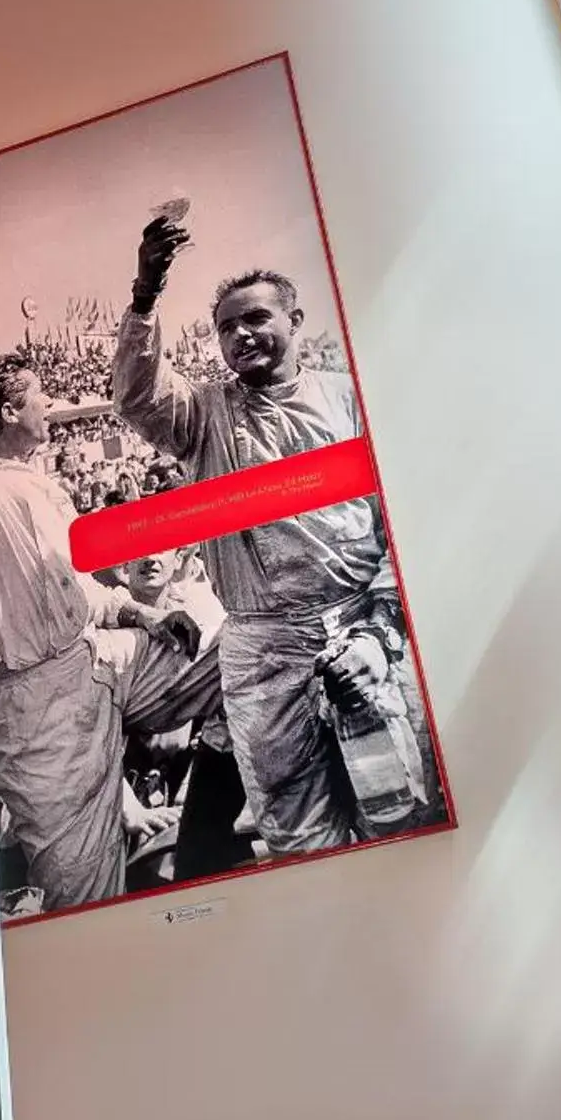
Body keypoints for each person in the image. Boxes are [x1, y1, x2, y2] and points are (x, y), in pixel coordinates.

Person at [0, 225, 222, 910]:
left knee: (235, 636)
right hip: (35, 714)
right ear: (7, 410)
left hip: (102, 660)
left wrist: (149, 613)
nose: (51, 404)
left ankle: (214, 824)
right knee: (87, 893)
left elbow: (81, 589)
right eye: (39, 396)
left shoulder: (38, 484)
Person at [114, 212, 438, 853]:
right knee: (298, 830)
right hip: (262, 652)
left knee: (396, 814)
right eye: (226, 327)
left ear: (294, 320)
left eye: (256, 318)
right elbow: (136, 399)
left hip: (360, 633)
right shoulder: (204, 413)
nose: (240, 335)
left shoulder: (351, 399)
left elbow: (403, 526)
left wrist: (379, 630)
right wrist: (145, 294)